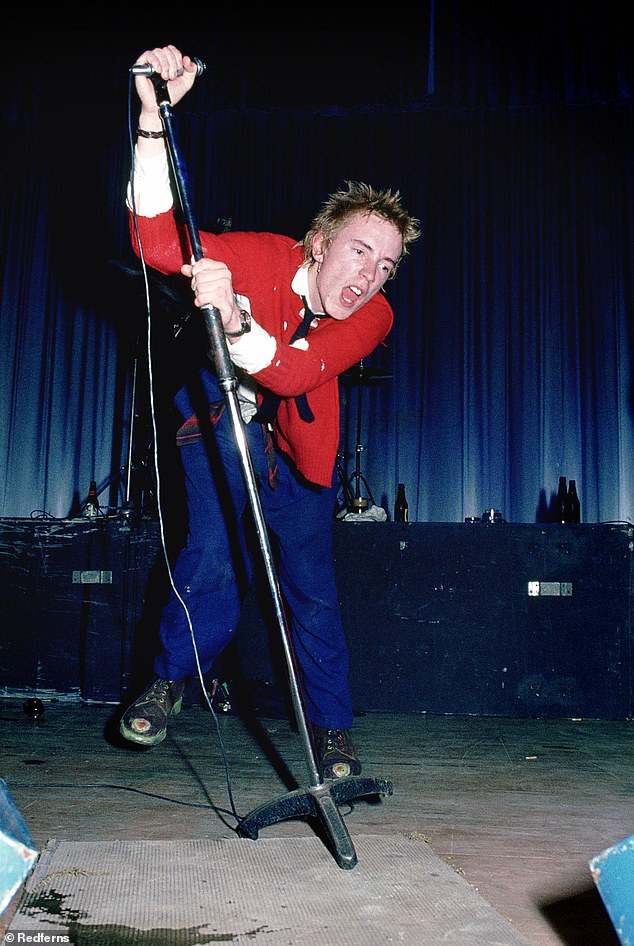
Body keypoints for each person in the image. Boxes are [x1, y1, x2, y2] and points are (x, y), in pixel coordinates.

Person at [119, 44, 420, 779]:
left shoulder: (373, 316)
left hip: (300, 453)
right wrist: (153, 116)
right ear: (318, 244)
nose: (369, 276)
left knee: (312, 591)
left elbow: (296, 371)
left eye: (384, 266)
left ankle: (332, 732)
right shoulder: (259, 254)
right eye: (358, 252)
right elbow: (157, 242)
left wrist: (235, 321)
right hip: (219, 422)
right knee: (214, 555)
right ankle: (171, 677)